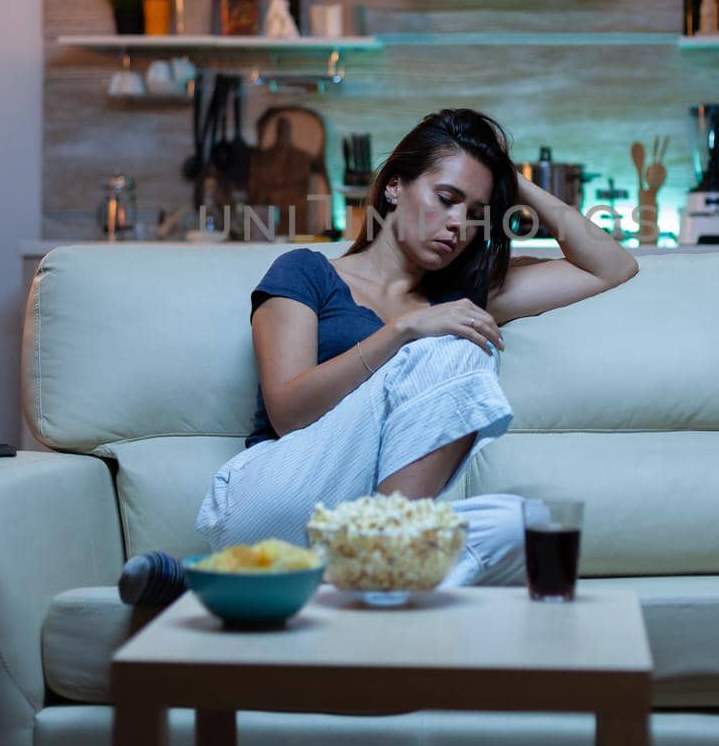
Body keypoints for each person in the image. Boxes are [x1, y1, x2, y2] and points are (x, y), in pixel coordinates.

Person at [121, 109, 637, 605]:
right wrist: (402, 331)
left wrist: (512, 181)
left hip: (343, 525)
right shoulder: (308, 272)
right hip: (276, 495)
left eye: (476, 212)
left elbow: (610, 267)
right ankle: (383, 561)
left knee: (520, 525)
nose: (459, 224)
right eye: (446, 197)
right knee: (458, 343)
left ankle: (314, 582)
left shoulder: (458, 296)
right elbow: (289, 409)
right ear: (395, 186)